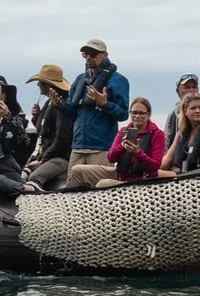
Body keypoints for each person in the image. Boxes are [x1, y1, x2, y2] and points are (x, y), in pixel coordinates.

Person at [61, 39, 131, 191]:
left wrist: (105, 104)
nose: (88, 58)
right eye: (85, 54)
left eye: (93, 54)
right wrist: (59, 105)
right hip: (78, 147)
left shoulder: (118, 80)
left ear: (105, 55)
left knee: (100, 192)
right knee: (70, 191)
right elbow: (74, 112)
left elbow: (123, 114)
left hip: (101, 147)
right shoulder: (80, 79)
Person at [25, 64, 73, 191]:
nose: (38, 85)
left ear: (48, 85)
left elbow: (61, 139)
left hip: (60, 158)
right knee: (21, 173)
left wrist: (43, 161)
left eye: (40, 82)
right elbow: (46, 131)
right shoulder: (49, 103)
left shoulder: (62, 106)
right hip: (48, 155)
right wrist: (37, 118)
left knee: (34, 177)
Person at [108, 96, 166, 183]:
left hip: (142, 181)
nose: (137, 116)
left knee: (103, 184)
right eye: (134, 113)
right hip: (120, 176)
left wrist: (138, 153)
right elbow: (111, 158)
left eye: (141, 113)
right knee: (80, 170)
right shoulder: (123, 131)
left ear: (148, 114)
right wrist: (122, 146)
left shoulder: (157, 134)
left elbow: (155, 166)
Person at [163, 73, 200, 141]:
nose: (191, 90)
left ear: (198, 90)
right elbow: (166, 140)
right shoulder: (172, 115)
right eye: (187, 87)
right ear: (178, 91)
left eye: (194, 87)